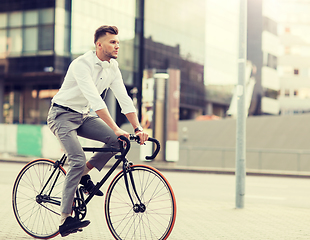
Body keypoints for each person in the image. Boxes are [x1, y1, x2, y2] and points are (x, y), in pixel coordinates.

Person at [47, 25, 148, 237]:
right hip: (61, 115)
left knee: (117, 141)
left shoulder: (113, 68)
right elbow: (94, 99)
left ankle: (84, 173)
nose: (117, 45)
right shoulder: (81, 64)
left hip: (83, 116)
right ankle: (65, 218)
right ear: (99, 44)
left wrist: (138, 128)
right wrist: (116, 127)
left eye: (118, 42)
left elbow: (124, 99)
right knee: (76, 158)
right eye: (113, 42)